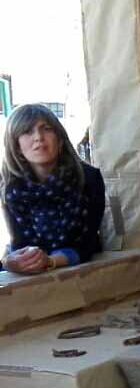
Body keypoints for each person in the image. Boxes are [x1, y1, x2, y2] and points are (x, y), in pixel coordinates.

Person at [1, 104, 105, 274]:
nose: (38, 137)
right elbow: (19, 244)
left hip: (77, 266)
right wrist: (10, 261)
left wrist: (50, 261)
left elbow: (89, 242)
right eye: (27, 132)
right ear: (16, 146)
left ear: (60, 139)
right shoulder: (10, 188)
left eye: (46, 129)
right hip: (28, 269)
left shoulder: (89, 178)